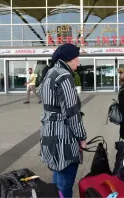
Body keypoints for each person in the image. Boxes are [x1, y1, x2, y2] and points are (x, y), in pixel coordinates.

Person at [38, 43, 87, 198]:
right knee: (65, 182)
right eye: (76, 58)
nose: (78, 62)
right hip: (63, 137)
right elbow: (72, 112)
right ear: (68, 59)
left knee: (57, 178)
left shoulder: (50, 73)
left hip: (49, 133)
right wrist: (82, 137)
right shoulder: (64, 76)